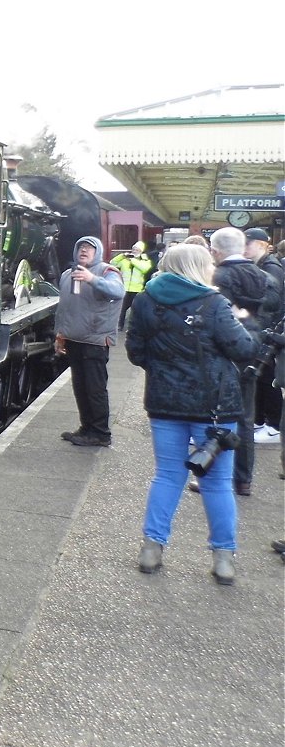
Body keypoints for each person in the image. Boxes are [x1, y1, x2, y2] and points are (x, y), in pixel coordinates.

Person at [125, 244, 257, 585]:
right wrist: (251, 328)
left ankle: (151, 549)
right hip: (214, 408)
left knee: (167, 475)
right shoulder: (214, 304)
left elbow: (135, 352)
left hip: (164, 403)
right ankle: (223, 558)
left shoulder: (144, 300)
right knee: (217, 483)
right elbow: (242, 349)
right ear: (201, 267)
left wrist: (165, 371)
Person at [209, 226, 273, 495]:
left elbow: (219, 319)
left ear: (215, 251)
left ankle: (216, 476)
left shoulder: (220, 276)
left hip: (226, 353)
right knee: (246, 419)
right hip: (256, 353)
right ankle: (243, 479)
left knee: (219, 416)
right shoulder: (264, 275)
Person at [55, 235, 125, 446]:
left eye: (89, 248)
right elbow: (64, 308)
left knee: (95, 389)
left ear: (98, 252)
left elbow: (118, 291)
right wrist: (59, 334)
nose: (84, 250)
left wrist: (91, 279)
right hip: (74, 339)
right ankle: (86, 428)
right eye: (81, 247)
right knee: (80, 387)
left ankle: (101, 433)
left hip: (95, 340)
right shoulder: (68, 274)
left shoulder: (107, 271)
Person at [244, 228, 283, 448]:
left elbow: (272, 302)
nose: (243, 248)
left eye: (247, 244)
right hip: (262, 329)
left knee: (268, 377)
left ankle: (274, 425)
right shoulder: (262, 265)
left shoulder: (271, 267)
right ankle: (260, 420)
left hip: (267, 330)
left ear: (260, 244)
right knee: (260, 376)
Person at [111, 241, 153, 331]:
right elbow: (112, 263)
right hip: (124, 288)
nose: (134, 250)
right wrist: (122, 256)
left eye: (137, 249)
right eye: (133, 249)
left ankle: (133, 327)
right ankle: (119, 326)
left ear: (141, 251)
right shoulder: (124, 260)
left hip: (136, 289)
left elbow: (144, 269)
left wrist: (133, 260)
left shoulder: (145, 260)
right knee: (121, 308)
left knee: (135, 310)